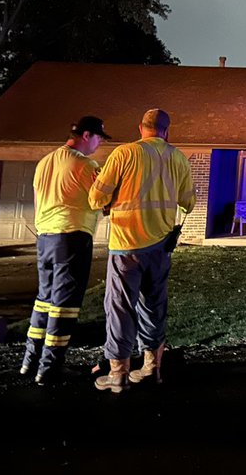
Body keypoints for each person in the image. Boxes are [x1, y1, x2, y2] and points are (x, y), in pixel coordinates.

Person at [88, 107, 195, 392]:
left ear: (141, 128)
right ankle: (151, 368)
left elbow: (96, 197)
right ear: (166, 131)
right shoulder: (178, 158)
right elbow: (189, 203)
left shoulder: (124, 154)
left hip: (126, 245)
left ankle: (118, 374)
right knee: (153, 306)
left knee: (120, 307)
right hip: (160, 247)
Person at [20, 114, 111, 386]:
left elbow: (38, 201)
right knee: (64, 306)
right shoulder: (85, 165)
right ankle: (50, 368)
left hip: (45, 237)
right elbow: (101, 201)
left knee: (44, 300)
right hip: (71, 237)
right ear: (86, 135)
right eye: (98, 138)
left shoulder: (44, 162)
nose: (99, 144)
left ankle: (30, 361)